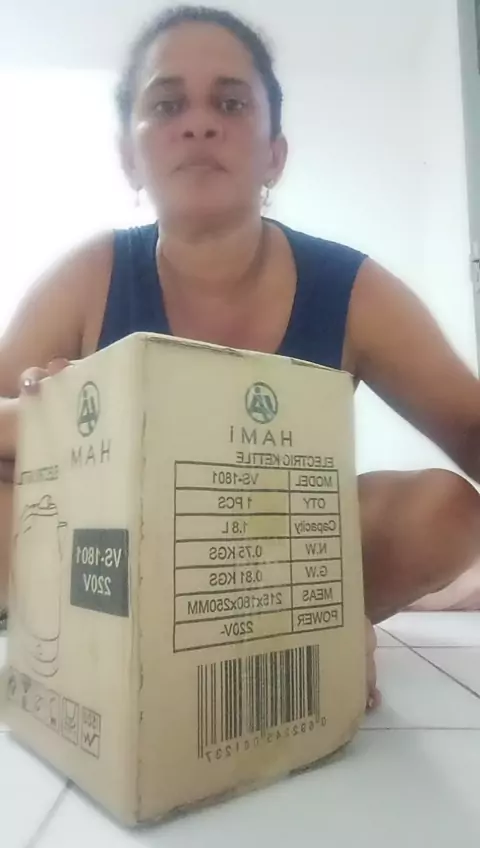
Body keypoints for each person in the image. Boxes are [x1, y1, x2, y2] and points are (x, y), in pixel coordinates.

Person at [1, 5, 480, 705]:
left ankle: (290, 628)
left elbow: (471, 424)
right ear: (130, 155)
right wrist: (57, 415)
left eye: (230, 103)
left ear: (274, 154)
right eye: (167, 104)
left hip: (282, 556)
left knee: (445, 510)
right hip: (119, 557)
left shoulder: (350, 288)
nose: (199, 123)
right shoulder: (89, 275)